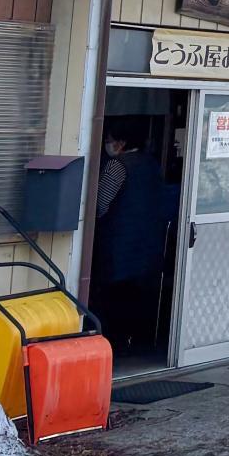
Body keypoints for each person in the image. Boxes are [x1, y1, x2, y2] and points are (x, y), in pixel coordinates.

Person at [94, 131, 167, 351]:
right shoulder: (151, 163)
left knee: (115, 296)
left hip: (119, 242)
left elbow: (99, 204)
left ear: (121, 142)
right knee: (139, 294)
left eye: (108, 141)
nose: (107, 145)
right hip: (149, 240)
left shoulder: (117, 166)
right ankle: (138, 341)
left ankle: (114, 344)